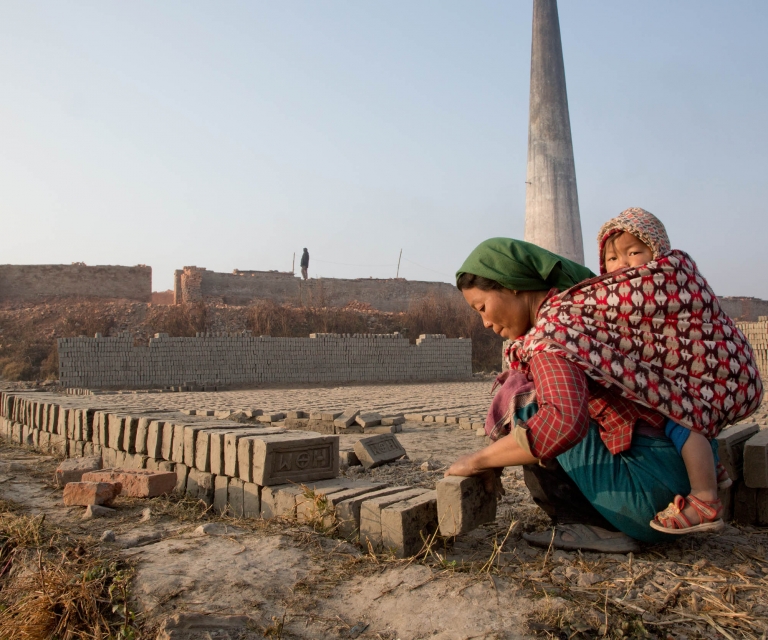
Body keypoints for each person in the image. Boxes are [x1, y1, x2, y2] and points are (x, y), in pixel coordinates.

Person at [446, 235, 762, 552]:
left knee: (524, 400)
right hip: (682, 479)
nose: (485, 322)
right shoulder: (584, 310)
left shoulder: (552, 333)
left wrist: (479, 460)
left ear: (511, 284)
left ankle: (585, 525)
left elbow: (562, 424)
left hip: (649, 501)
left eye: (482, 307)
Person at [598, 208, 730, 534]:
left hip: (689, 380)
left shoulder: (665, 283)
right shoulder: (616, 294)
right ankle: (711, 467)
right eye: (613, 258)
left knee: (682, 423)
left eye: (634, 252)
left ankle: (705, 497)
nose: (623, 264)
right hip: (669, 380)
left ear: (656, 252)